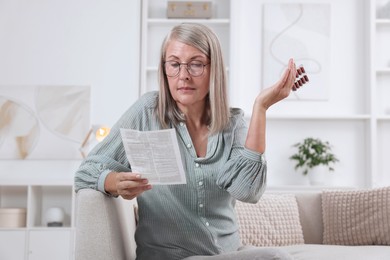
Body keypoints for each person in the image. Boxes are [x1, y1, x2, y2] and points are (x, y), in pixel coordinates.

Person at [74, 23, 305, 260]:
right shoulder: (147, 112)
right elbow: (85, 171)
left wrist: (261, 107)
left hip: (228, 253)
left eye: (195, 64)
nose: (183, 75)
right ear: (164, 69)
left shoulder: (232, 123)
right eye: (174, 64)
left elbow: (247, 191)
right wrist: (114, 181)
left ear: (213, 69)